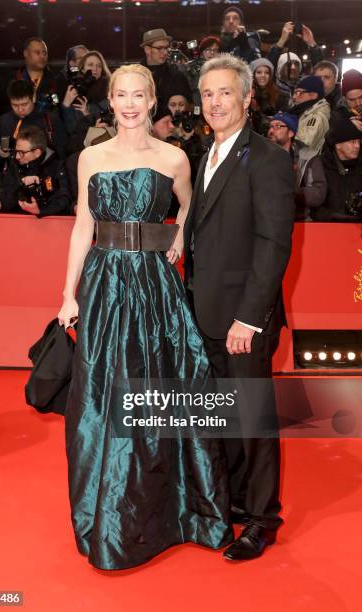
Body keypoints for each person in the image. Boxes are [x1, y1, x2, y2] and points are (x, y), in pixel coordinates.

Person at [57, 63, 232, 570]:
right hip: (105, 285)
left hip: (155, 287)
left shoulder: (175, 157)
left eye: (139, 95)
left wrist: (177, 236)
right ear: (109, 101)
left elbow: (194, 204)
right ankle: (108, 514)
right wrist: (68, 293)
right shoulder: (90, 156)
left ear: (152, 100)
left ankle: (169, 510)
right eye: (121, 95)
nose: (130, 104)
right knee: (102, 395)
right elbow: (80, 228)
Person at [184, 54, 295, 561]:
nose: (215, 101)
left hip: (243, 317)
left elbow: (273, 243)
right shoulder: (202, 154)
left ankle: (262, 519)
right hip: (204, 311)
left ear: (248, 98)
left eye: (225, 92)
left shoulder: (268, 159)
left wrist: (249, 318)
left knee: (252, 418)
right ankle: (230, 503)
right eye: (208, 93)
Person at [0, 125, 70, 217]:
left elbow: (64, 201)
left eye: (22, 152)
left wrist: (40, 210)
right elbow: (5, 201)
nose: (17, 156)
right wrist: (21, 184)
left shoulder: (57, 167)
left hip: (48, 225)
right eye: (16, 151)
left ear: (37, 152)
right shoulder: (15, 166)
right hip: (17, 222)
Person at [267, 112, 326, 220]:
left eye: (278, 126)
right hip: (266, 218)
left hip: (298, 220)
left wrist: (294, 192)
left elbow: (319, 193)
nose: (271, 131)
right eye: (271, 126)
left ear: (291, 133)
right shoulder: (259, 155)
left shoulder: (308, 157)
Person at [312, 118, 362, 221]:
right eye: (352, 142)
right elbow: (312, 207)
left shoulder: (360, 167)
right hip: (326, 229)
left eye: (358, 141)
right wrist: (335, 217)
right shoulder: (320, 166)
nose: (357, 146)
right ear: (338, 144)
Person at [291, 75, 330, 153]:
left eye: (299, 93)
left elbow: (304, 145)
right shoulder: (306, 112)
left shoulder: (316, 117)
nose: (294, 96)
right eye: (294, 92)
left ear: (313, 95)